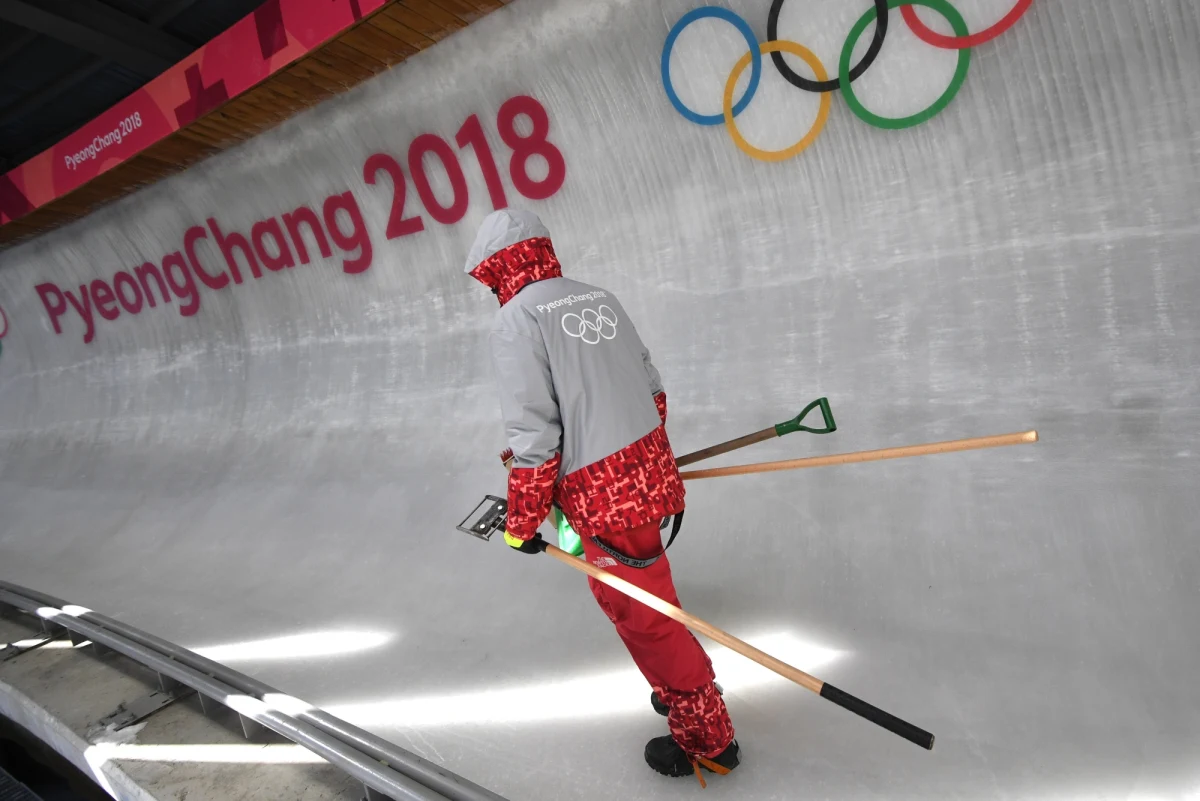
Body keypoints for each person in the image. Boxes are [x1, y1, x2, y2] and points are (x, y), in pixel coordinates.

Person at [464, 209, 740, 782]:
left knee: (647, 617)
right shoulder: (596, 297)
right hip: (642, 472)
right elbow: (653, 390)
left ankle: (709, 737)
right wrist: (640, 461)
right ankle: (675, 689)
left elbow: (536, 440)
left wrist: (522, 520)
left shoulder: (517, 321)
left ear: (496, 270)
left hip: (602, 492)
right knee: (627, 597)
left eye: (490, 281)